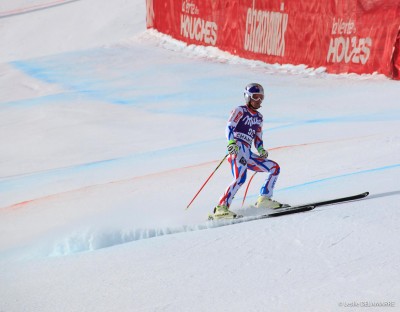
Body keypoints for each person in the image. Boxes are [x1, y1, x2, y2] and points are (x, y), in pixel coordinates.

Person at [212, 83, 284, 219]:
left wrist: (261, 149)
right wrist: (231, 142)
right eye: (255, 97)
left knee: (274, 167)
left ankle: (264, 199)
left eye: (261, 97)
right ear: (248, 97)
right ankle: (221, 208)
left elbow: (257, 137)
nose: (259, 101)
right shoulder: (240, 110)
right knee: (240, 178)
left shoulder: (259, 117)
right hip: (237, 149)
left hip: (248, 153)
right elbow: (229, 127)